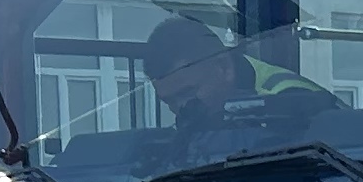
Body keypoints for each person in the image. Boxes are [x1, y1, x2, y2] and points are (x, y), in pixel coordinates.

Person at [138, 12, 335, 145]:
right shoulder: (209, 110)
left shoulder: (293, 102)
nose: (181, 109)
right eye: (169, 101)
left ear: (223, 67)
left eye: (188, 92)